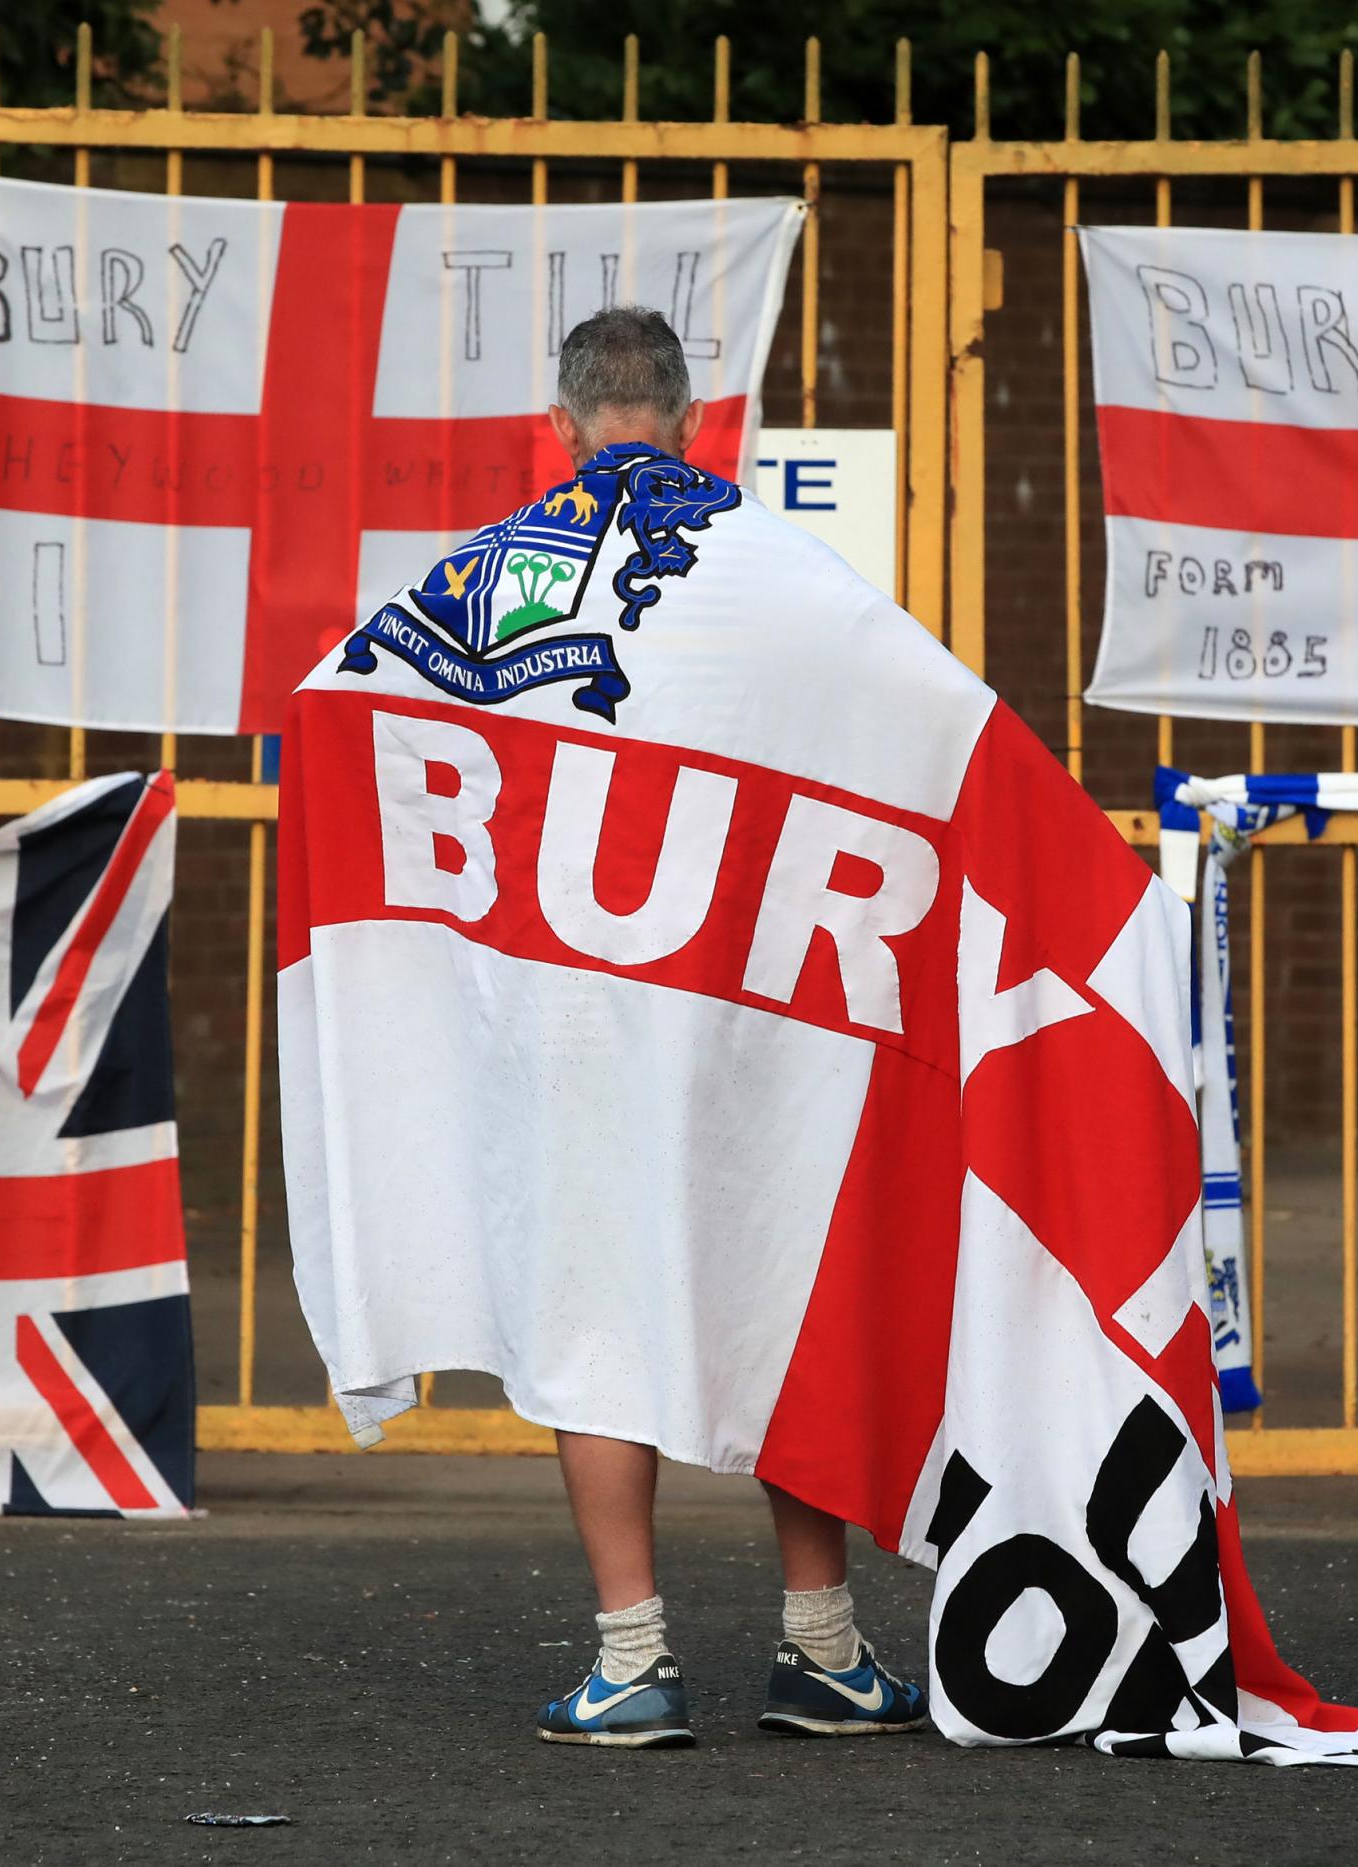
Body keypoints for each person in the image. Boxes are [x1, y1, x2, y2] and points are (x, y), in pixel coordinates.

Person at [509, 307, 925, 1750]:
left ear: (562, 429)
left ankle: (631, 1661)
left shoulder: (499, 577)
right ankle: (821, 1649)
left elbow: (365, 713)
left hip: (587, 1000)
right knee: (775, 1293)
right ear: (694, 423)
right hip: (759, 991)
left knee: (597, 1312)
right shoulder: (781, 565)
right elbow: (916, 725)